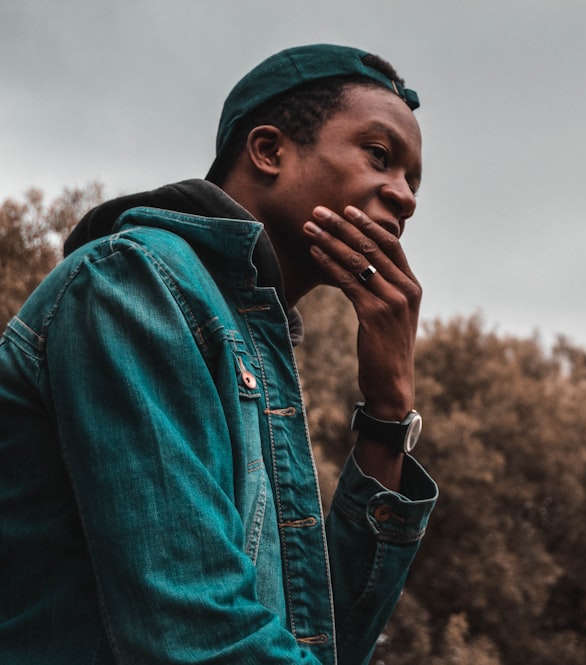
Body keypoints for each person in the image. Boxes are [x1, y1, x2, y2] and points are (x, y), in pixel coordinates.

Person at [0, 44, 437, 664]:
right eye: (379, 156)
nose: (406, 198)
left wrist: (390, 413)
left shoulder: (253, 345)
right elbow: (190, 631)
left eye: (412, 181)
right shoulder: (134, 282)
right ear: (269, 152)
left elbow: (320, 642)